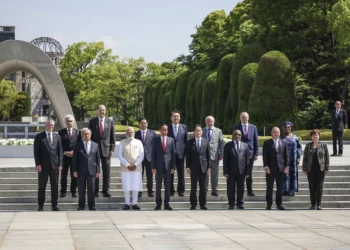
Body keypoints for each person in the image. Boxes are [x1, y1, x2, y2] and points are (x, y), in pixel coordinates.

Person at [34, 119, 63, 211]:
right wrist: (38, 164)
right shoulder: (39, 137)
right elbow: (36, 152)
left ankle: (54, 205)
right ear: (45, 125)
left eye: (52, 125)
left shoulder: (57, 137)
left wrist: (60, 164)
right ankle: (41, 205)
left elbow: (60, 152)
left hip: (54, 166)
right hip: (43, 166)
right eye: (49, 125)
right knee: (42, 186)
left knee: (54, 186)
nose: (50, 127)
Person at [88, 104, 115, 197]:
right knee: (95, 171)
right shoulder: (92, 122)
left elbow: (112, 137)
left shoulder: (110, 122)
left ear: (105, 111)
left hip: (106, 150)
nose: (102, 112)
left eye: (103, 110)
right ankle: (95, 191)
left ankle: (105, 190)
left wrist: (112, 149)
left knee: (106, 171)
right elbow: (89, 137)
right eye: (100, 110)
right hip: (95, 150)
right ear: (97, 111)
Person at [72, 128, 100, 211]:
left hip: (92, 170)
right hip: (80, 171)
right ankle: (81, 206)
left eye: (88, 134)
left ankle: (92, 206)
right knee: (81, 190)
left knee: (91, 190)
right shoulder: (77, 145)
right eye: (85, 134)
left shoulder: (95, 145)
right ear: (82, 136)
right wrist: (74, 170)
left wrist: (98, 170)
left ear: (90, 135)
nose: (87, 135)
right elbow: (74, 159)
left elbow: (97, 159)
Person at [263, 127, 290, 210]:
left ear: (279, 133)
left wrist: (287, 166)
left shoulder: (283, 142)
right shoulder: (267, 143)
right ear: (271, 133)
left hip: (280, 169)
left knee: (280, 187)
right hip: (270, 169)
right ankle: (269, 204)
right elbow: (265, 156)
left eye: (277, 132)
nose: (276, 134)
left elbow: (286, 155)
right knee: (269, 187)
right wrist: (266, 166)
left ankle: (279, 204)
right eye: (274, 132)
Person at [118, 127, 144, 210]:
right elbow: (119, 155)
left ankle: (135, 203)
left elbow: (142, 155)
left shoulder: (139, 142)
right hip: (126, 168)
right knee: (126, 186)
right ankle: (127, 203)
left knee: (135, 186)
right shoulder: (122, 142)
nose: (130, 133)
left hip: (136, 168)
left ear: (134, 133)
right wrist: (127, 165)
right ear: (126, 133)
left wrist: (135, 164)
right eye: (128, 132)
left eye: (131, 132)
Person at [302, 129, 330, 210]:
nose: (315, 136)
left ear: (319, 136)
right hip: (310, 169)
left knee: (319, 187)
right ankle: (313, 204)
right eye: (314, 135)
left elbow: (327, 157)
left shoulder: (323, 145)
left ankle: (319, 204)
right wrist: (304, 169)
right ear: (311, 137)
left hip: (320, 168)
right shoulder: (308, 146)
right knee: (312, 187)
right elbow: (305, 158)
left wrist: (327, 168)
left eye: (317, 135)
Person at [233, 112, 259, 196]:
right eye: (243, 117)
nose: (245, 119)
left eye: (246, 117)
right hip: (239, 153)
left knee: (249, 173)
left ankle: (249, 191)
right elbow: (234, 141)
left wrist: (256, 153)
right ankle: (239, 191)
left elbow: (256, 141)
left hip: (250, 153)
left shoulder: (253, 127)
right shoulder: (236, 127)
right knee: (239, 172)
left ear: (248, 118)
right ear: (240, 118)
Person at [223, 130, 250, 210]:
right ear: (233, 135)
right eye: (236, 134)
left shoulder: (245, 145)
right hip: (231, 171)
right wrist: (225, 171)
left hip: (241, 171)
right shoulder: (228, 145)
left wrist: (247, 172)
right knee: (230, 188)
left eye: (239, 135)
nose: (237, 136)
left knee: (241, 188)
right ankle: (231, 204)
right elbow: (225, 160)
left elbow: (247, 160)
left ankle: (240, 203)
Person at [186, 125, 210, 210]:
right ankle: (193, 204)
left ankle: (203, 204)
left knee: (203, 187)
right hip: (193, 167)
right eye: (196, 131)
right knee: (193, 186)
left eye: (199, 131)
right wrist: (187, 167)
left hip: (203, 167)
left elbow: (208, 155)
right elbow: (188, 155)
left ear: (202, 132)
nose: (198, 132)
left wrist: (209, 168)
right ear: (194, 132)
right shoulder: (190, 142)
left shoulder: (206, 141)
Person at [152, 124, 176, 210]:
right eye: (162, 130)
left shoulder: (171, 140)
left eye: (166, 130)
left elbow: (173, 154)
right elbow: (153, 154)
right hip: (158, 167)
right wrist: (153, 167)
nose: (164, 131)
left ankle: (167, 203)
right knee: (158, 186)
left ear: (167, 131)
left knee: (168, 186)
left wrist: (173, 167)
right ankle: (158, 204)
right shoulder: (156, 140)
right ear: (160, 130)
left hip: (168, 167)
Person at [58, 114, 82, 198]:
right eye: (67, 121)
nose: (69, 122)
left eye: (71, 121)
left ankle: (73, 191)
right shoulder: (61, 132)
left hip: (74, 157)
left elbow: (80, 145)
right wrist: (64, 152)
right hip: (64, 157)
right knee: (63, 175)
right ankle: (63, 191)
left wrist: (74, 152)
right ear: (65, 122)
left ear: (73, 122)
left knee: (74, 174)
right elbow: (59, 145)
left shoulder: (78, 132)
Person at [202, 116, 224, 196]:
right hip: (204, 157)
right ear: (205, 122)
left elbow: (221, 143)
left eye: (211, 121)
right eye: (208, 121)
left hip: (215, 156)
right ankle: (204, 189)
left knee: (215, 174)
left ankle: (214, 190)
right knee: (205, 174)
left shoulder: (219, 131)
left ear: (214, 122)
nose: (209, 122)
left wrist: (221, 153)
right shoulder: (202, 130)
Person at [167, 110, 188, 196]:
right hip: (170, 154)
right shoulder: (167, 127)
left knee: (181, 173)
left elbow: (186, 141)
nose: (176, 118)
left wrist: (186, 153)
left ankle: (181, 190)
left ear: (180, 118)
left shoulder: (184, 127)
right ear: (171, 118)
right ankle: (171, 190)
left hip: (180, 154)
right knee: (170, 173)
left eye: (177, 116)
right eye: (174, 116)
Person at [135, 118, 156, 198]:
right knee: (139, 175)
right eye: (142, 123)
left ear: (147, 124)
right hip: (139, 157)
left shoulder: (152, 133)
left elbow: (154, 146)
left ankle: (150, 191)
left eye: (145, 123)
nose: (143, 125)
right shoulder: (136, 134)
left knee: (149, 175)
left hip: (149, 157)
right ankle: (139, 191)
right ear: (139, 124)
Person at [280, 121, 302, 196]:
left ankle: (292, 191)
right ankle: (284, 190)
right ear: (283, 128)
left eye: (289, 127)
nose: (287, 129)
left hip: (293, 160)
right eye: (285, 127)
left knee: (292, 175)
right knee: (285, 176)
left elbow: (299, 148)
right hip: (284, 160)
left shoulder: (295, 137)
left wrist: (298, 157)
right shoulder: (280, 138)